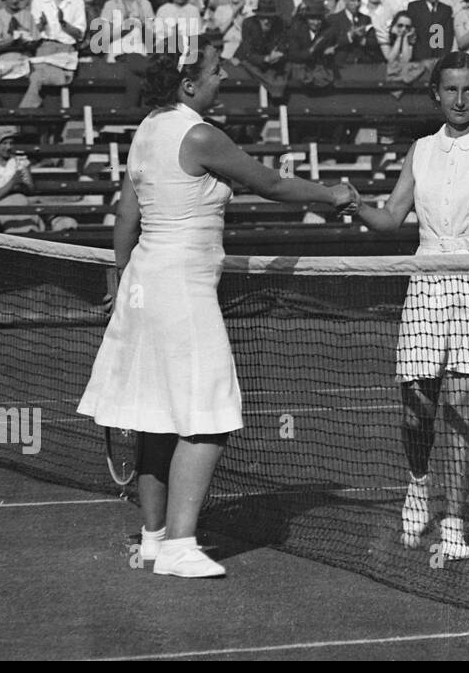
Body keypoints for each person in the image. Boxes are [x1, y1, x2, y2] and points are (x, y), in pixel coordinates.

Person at [78, 48, 357, 578]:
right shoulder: (199, 134)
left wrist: (119, 282)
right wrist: (332, 194)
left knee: (158, 418)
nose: (224, 77)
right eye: (213, 73)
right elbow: (269, 184)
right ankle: (182, 545)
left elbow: (125, 214)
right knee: (209, 413)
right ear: (188, 85)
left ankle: (155, 539)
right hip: (180, 287)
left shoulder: (147, 128)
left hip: (146, 282)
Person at [354, 52, 469, 560]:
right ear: (436, 93)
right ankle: (418, 483)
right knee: (416, 410)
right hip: (428, 277)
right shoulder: (421, 150)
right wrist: (354, 206)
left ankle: (453, 525)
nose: (459, 99)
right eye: (450, 90)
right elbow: (390, 218)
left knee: (458, 410)